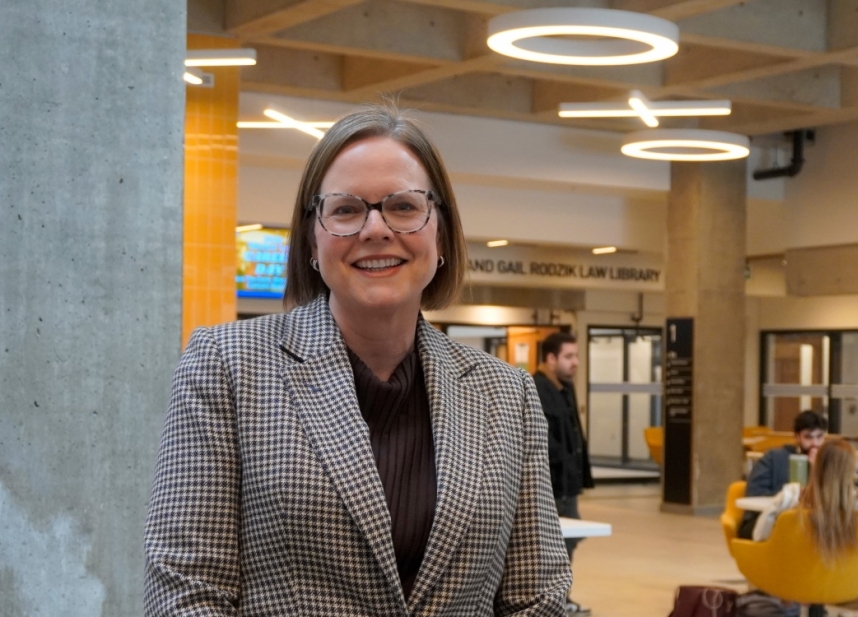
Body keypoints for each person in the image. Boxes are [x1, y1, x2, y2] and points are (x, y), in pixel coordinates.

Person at [144, 104, 572, 616]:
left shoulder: (507, 393)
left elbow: (538, 594)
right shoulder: (226, 365)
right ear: (311, 238)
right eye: (346, 210)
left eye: (404, 207)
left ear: (440, 235)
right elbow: (185, 591)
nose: (375, 229)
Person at [534, 332, 594, 616]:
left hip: (568, 486)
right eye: (569, 356)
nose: (576, 363)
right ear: (550, 359)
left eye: (576, 356)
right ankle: (549, 600)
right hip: (550, 488)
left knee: (568, 544)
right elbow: (543, 442)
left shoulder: (565, 389)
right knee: (550, 548)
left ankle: (562, 597)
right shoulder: (536, 389)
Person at [752, 439, 858, 552]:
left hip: (793, 570)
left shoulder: (791, 497)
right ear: (852, 472)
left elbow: (759, 535)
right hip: (846, 572)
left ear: (817, 466)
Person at [737, 410, 828, 539]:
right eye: (808, 437)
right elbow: (755, 493)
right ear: (797, 437)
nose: (815, 444)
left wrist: (816, 469)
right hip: (763, 521)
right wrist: (788, 498)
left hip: (808, 524)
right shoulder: (774, 458)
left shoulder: (828, 464)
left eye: (819, 437)